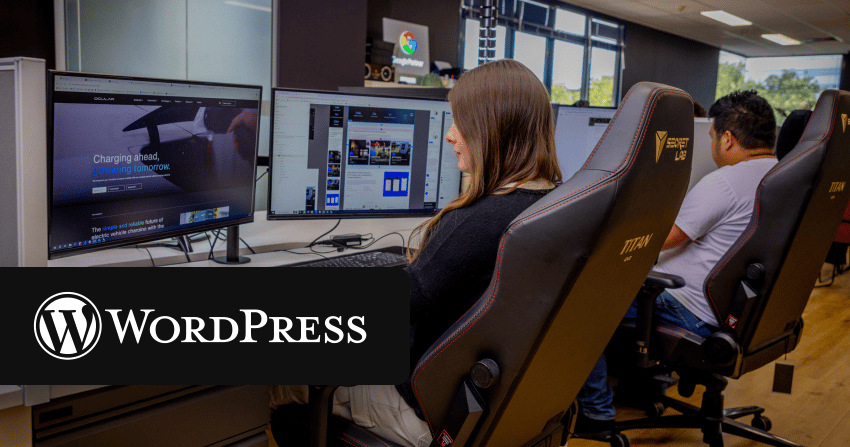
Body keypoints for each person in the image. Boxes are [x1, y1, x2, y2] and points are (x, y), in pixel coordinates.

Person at [270, 59, 563, 447]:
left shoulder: (478, 221)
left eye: (461, 123)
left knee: (281, 381)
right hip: (497, 408)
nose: (450, 135)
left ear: (491, 129)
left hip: (431, 413)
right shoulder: (556, 205)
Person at [575, 90, 779, 436]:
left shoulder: (727, 182)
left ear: (727, 139)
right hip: (740, 312)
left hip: (689, 309)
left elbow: (658, 240)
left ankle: (595, 412)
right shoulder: (779, 177)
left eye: (712, 136)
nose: (713, 146)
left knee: (579, 304)